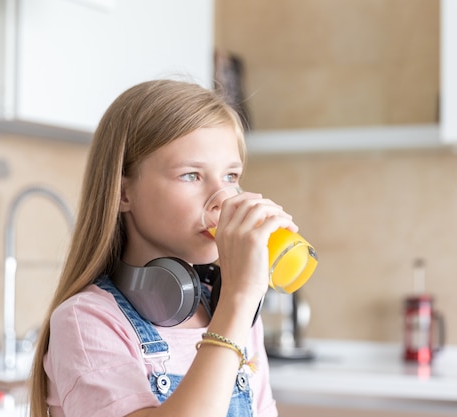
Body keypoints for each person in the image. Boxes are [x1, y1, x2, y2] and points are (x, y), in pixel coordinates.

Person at [28, 79, 298, 417]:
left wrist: (238, 302)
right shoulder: (86, 321)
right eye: (190, 175)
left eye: (230, 176)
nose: (222, 200)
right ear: (124, 193)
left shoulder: (232, 310)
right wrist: (239, 300)